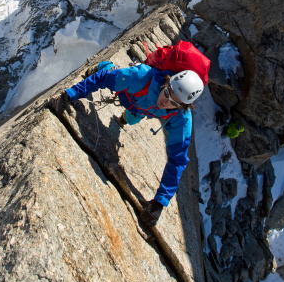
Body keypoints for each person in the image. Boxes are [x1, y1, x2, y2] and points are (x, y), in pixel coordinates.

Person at [49, 61, 204, 226]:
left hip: (139, 107)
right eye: (167, 93)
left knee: (131, 119)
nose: (166, 102)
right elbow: (103, 79)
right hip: (129, 93)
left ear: (183, 106)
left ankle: (123, 119)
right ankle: (104, 64)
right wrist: (71, 94)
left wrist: (159, 202)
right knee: (108, 72)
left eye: (174, 102)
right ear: (166, 82)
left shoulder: (181, 118)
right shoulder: (141, 77)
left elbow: (177, 159)